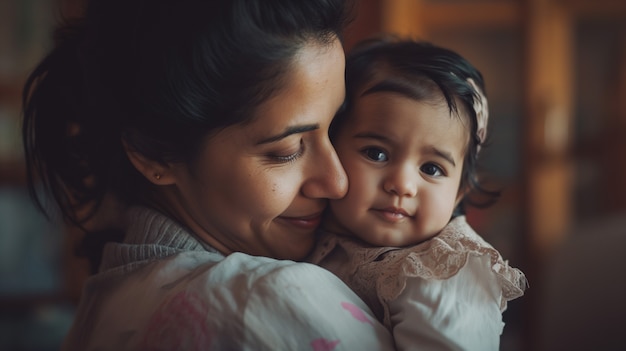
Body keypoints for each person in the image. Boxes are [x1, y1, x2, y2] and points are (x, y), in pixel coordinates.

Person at [22, 1, 396, 350]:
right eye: (285, 151)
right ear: (156, 152)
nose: (338, 181)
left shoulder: (103, 301)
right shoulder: (269, 301)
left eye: (336, 129)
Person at [307, 37, 528, 350]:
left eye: (432, 169)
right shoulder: (307, 222)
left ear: (459, 194)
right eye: (376, 153)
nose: (402, 185)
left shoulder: (445, 268)